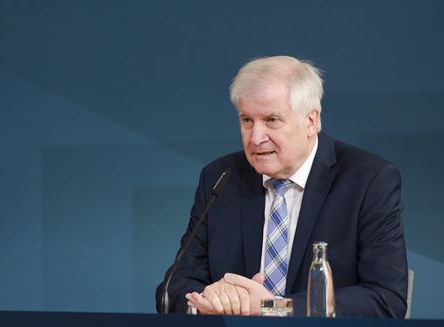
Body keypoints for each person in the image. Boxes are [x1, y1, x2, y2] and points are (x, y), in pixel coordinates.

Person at [156, 56, 407, 317]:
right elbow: (172, 289)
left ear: (311, 121)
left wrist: (273, 308)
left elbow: (386, 299)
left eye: (272, 120)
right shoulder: (221, 178)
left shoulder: (369, 180)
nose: (255, 138)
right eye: (246, 120)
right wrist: (209, 300)